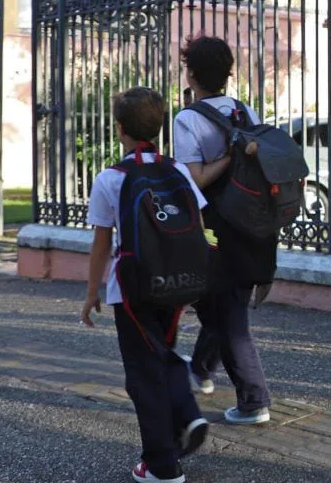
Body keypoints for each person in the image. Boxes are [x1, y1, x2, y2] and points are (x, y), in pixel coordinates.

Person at [81, 87, 210, 483]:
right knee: (164, 352)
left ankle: (161, 465)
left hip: (132, 288)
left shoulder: (111, 179)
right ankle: (185, 419)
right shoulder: (179, 171)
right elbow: (197, 227)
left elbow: (102, 242)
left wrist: (91, 294)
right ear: (157, 126)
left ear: (119, 128)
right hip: (176, 283)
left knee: (143, 372)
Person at [173, 36, 274, 426]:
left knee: (227, 312)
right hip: (253, 223)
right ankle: (199, 370)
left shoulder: (188, 119)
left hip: (216, 226)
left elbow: (193, 180)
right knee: (220, 302)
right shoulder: (244, 111)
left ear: (192, 73)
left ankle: (253, 400)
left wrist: (226, 159)